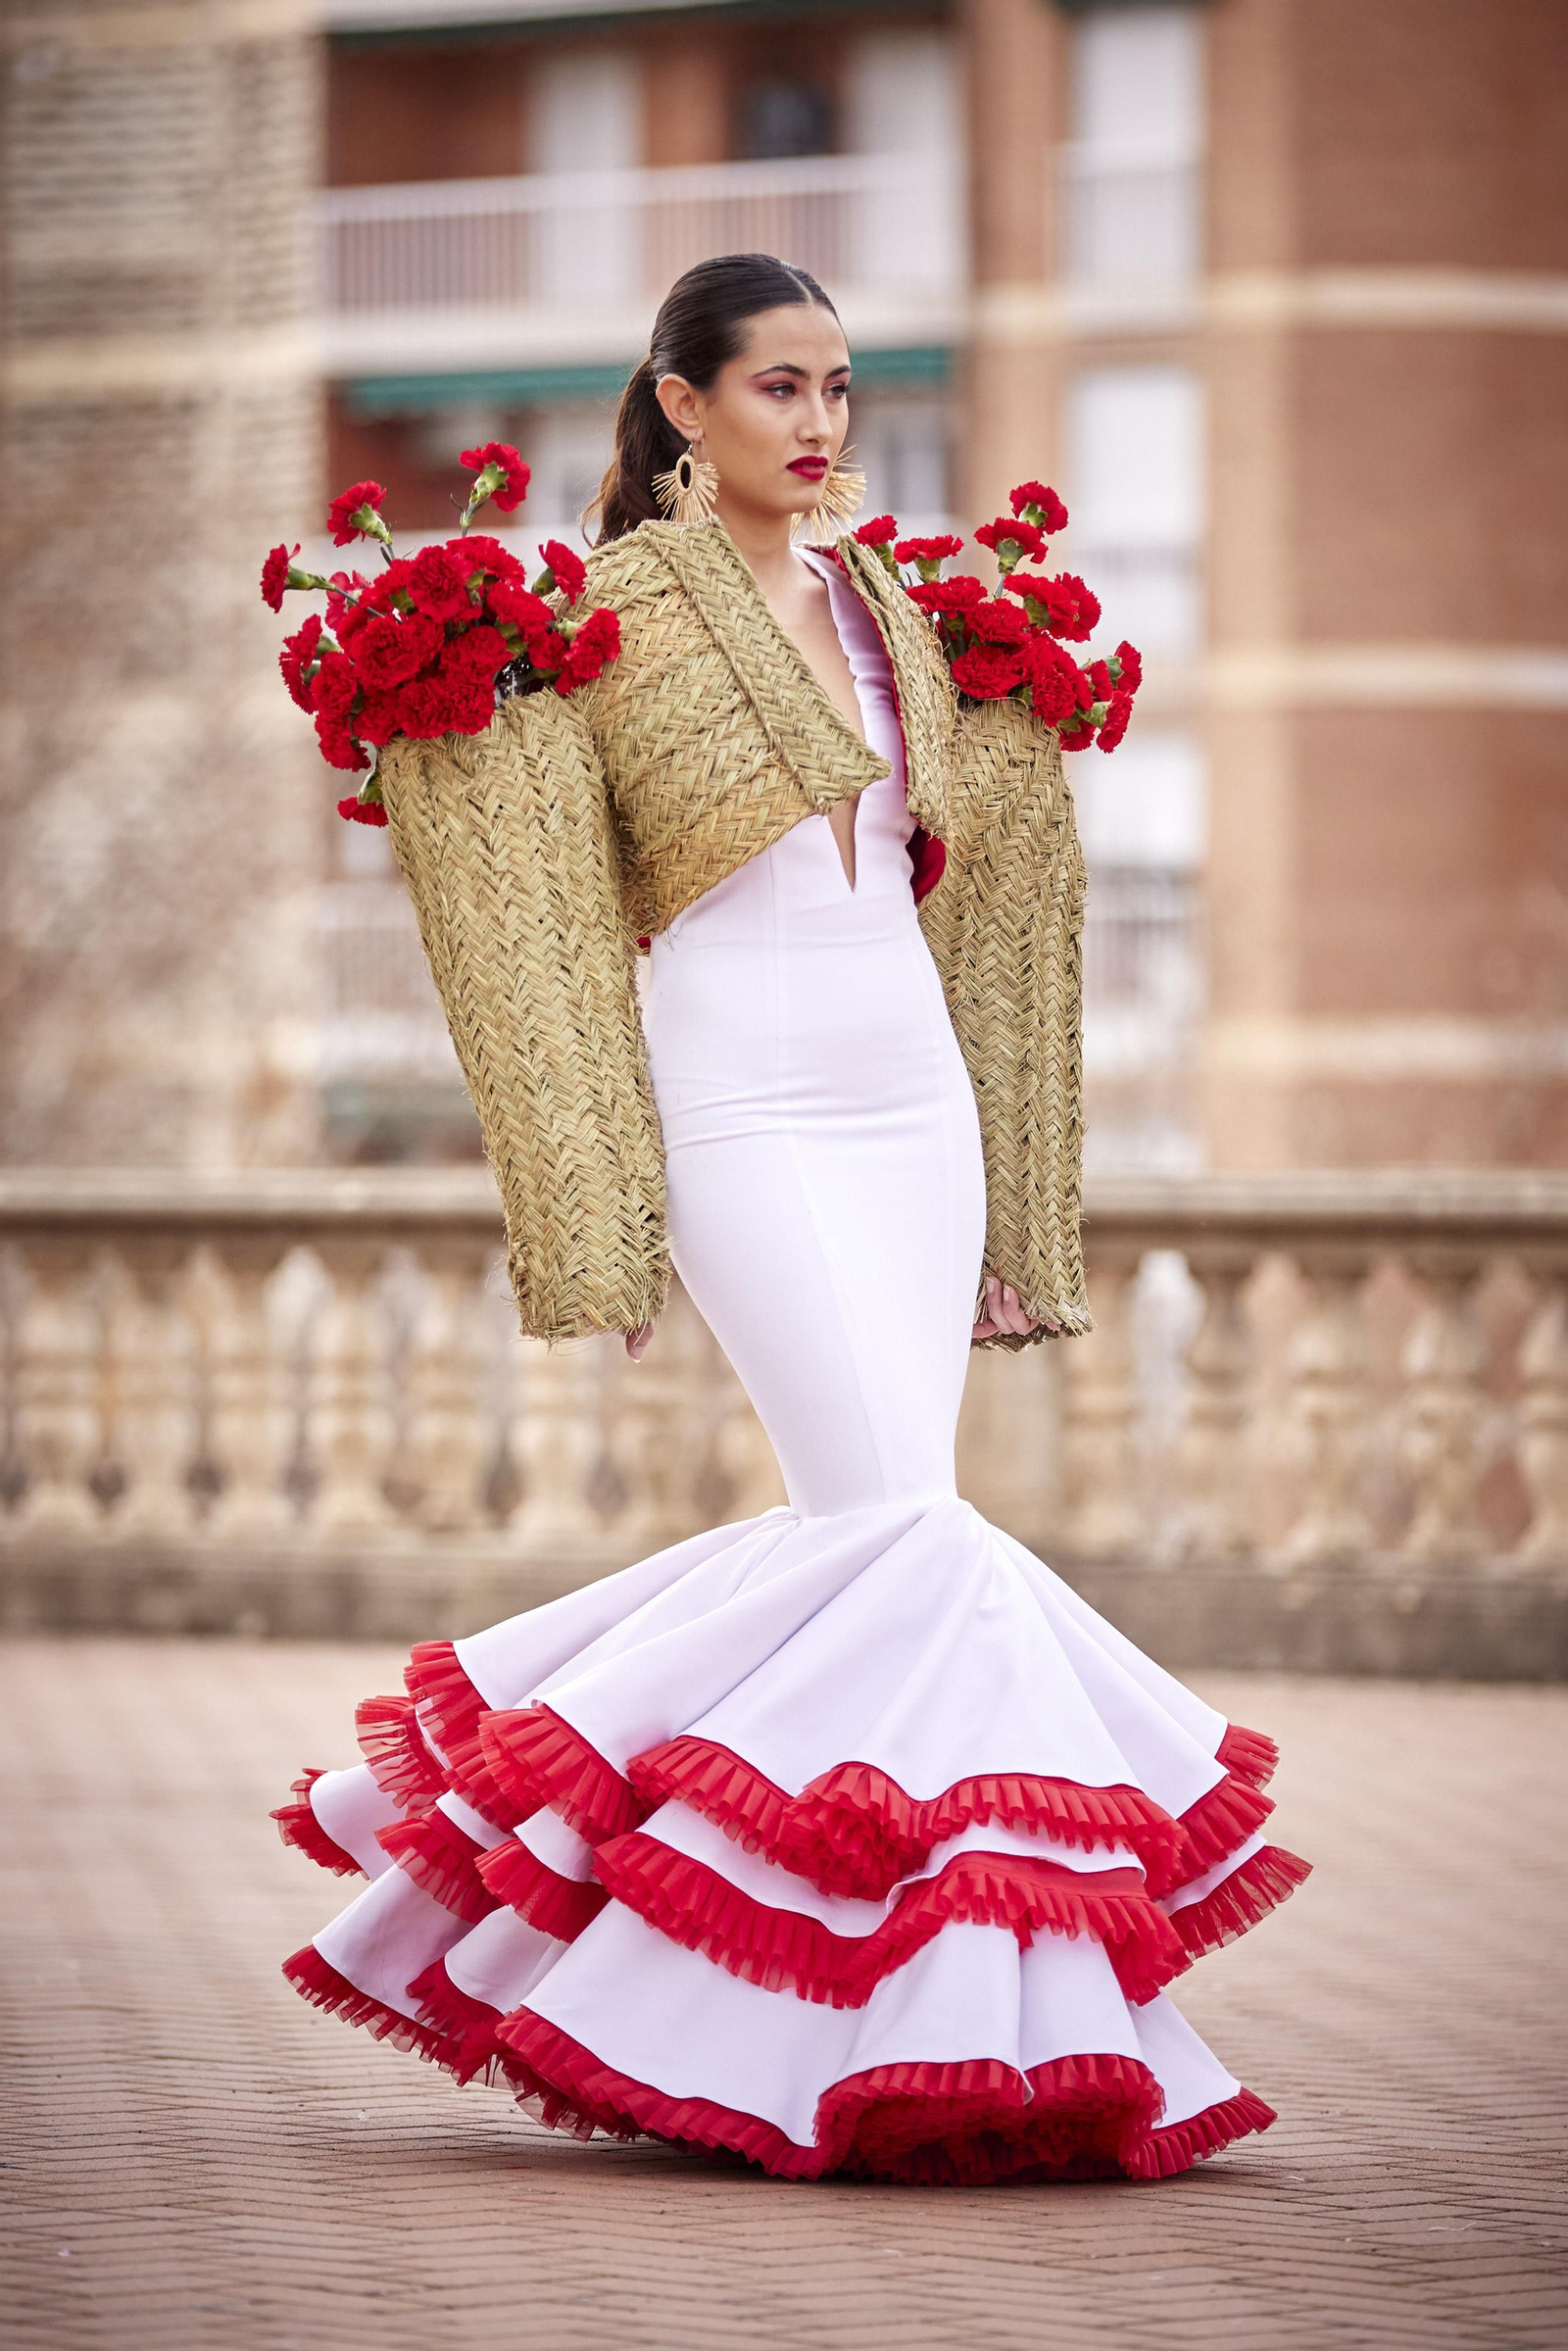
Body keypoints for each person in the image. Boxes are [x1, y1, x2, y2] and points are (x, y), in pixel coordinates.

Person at [273, 254, 1308, 2185]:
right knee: (903, 1533)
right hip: (733, 1090)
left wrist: (1012, 1145)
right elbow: (525, 886)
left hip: (909, 1095)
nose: (819, 421)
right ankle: (942, 2005)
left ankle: (830, 2001)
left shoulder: (894, 601)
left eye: (836, 386)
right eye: (777, 387)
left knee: (876, 1538)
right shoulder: (586, 618)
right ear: (682, 404)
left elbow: (982, 874)